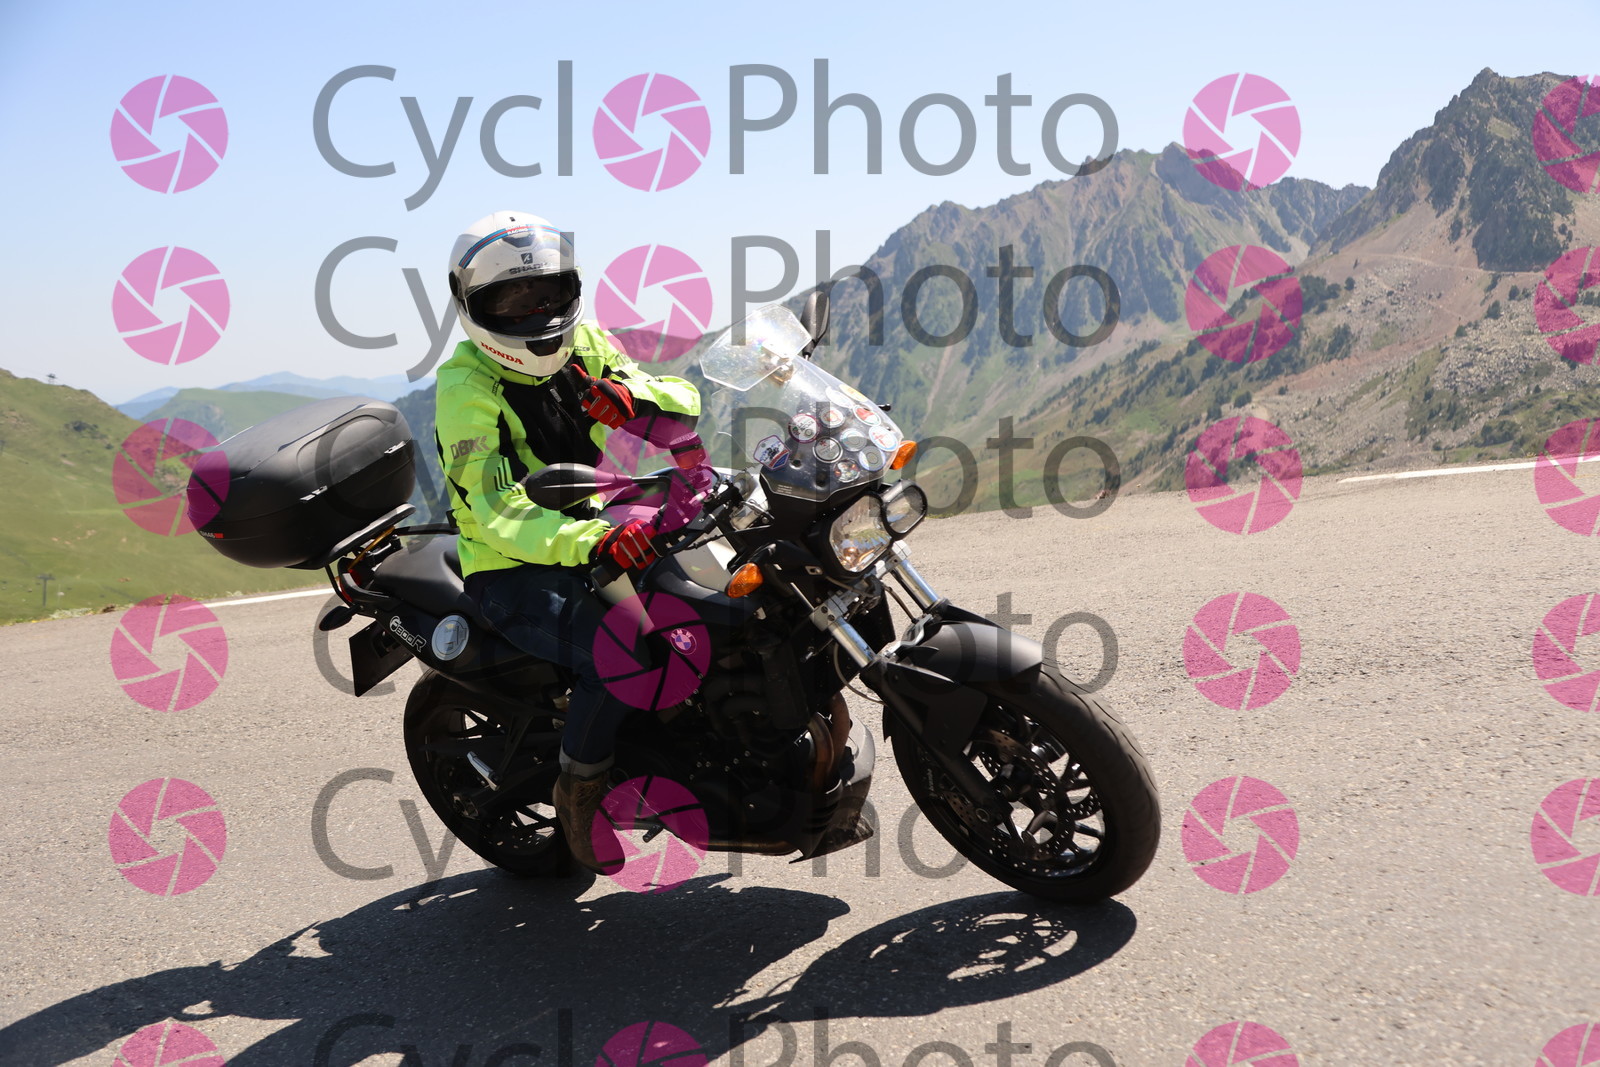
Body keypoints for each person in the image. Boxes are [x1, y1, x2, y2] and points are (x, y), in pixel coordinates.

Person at [434, 209, 704, 873]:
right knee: (620, 652)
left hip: (591, 515)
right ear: (473, 305)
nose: (536, 311)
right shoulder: (466, 386)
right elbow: (498, 512)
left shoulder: (584, 342)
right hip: (508, 566)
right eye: (513, 298)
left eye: (547, 291)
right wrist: (594, 544)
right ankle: (579, 790)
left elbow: (683, 403)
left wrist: (635, 399)